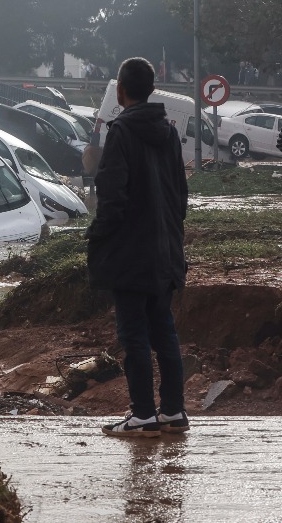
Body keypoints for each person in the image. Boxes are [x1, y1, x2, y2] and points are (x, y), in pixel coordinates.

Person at [87, 57, 188, 438]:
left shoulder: (122, 132)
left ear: (120, 91)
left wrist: (98, 238)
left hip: (131, 253)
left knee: (134, 336)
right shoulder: (169, 134)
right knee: (164, 331)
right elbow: (181, 195)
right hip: (165, 251)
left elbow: (112, 195)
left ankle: (143, 414)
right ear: (150, 89)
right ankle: (174, 412)